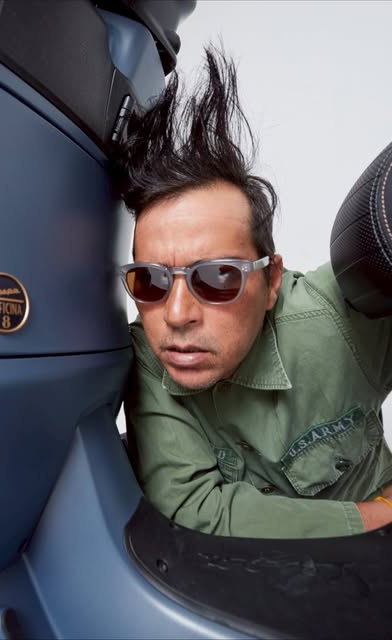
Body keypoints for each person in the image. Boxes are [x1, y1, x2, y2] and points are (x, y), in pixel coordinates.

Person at [114, 47, 392, 538]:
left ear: (271, 282)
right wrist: (377, 518)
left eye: (218, 278)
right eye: (150, 281)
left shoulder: (340, 316)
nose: (175, 315)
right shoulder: (146, 358)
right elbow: (196, 505)